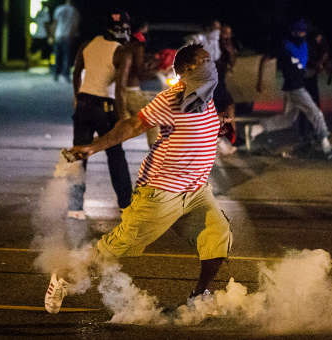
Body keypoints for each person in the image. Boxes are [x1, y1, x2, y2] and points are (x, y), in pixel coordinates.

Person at [44, 43, 233, 315]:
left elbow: (198, 128)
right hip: (160, 192)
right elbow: (133, 124)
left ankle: (199, 294)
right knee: (116, 248)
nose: (211, 64)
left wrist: (221, 124)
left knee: (218, 235)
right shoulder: (171, 99)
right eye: (205, 61)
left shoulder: (205, 95)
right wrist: (94, 146)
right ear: (189, 69)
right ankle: (63, 275)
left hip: (196, 190)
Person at [66, 10, 134, 220]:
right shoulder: (122, 52)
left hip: (84, 104)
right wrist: (123, 118)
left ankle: (75, 207)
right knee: (115, 156)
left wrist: (78, 98)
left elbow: (76, 73)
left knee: (79, 156)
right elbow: (121, 89)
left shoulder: (87, 44)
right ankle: (126, 205)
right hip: (105, 108)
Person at [250, 19, 332, 160]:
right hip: (295, 88)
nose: (302, 33)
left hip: (295, 87)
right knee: (316, 113)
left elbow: (302, 68)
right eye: (299, 31)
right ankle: (327, 147)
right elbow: (265, 59)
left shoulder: (304, 46)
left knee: (287, 120)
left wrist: (322, 68)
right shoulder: (284, 46)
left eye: (304, 31)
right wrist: (260, 80)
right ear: (293, 32)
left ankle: (256, 129)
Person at [122, 18, 160, 149]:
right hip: (131, 92)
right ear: (142, 29)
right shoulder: (137, 45)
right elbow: (139, 72)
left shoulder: (123, 44)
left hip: (119, 91)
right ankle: (156, 154)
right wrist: (156, 71)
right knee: (153, 117)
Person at [215, 24, 238, 155]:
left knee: (227, 109)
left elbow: (232, 63)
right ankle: (224, 141)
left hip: (220, 82)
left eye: (229, 34)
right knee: (227, 108)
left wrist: (230, 52)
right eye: (224, 33)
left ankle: (227, 141)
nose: (227, 36)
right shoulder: (214, 46)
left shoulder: (227, 46)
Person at [51, 0, 80, 82]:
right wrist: (73, 35)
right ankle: (65, 75)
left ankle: (56, 74)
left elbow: (55, 23)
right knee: (66, 56)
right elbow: (75, 26)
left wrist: (52, 35)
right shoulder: (74, 11)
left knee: (57, 55)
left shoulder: (59, 9)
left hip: (58, 34)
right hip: (68, 36)